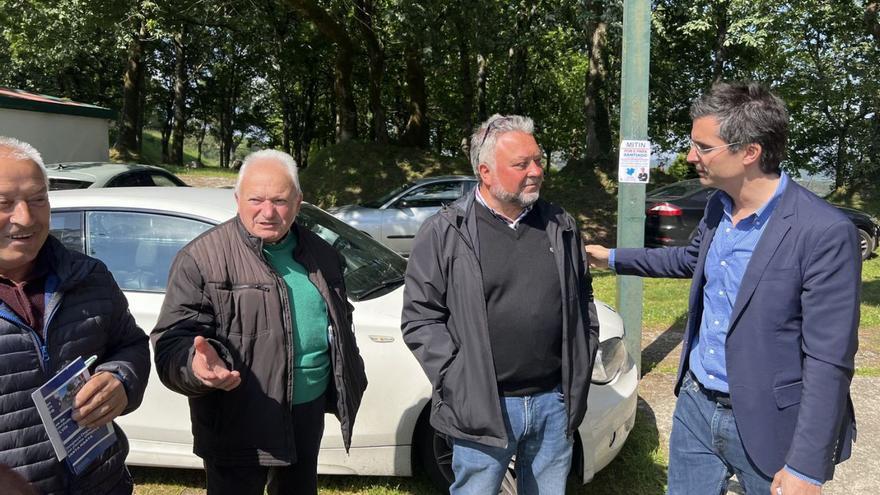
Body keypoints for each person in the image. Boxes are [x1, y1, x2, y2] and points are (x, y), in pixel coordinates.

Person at [586, 82, 860, 495]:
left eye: (703, 147)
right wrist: (611, 257)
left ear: (749, 152)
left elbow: (829, 359)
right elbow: (689, 262)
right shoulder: (718, 206)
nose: (689, 156)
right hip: (696, 406)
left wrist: (806, 465)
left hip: (770, 421)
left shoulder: (824, 232)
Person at [401, 114, 600, 494]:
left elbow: (583, 298)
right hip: (483, 407)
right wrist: (459, 381)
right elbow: (420, 319)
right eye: (521, 164)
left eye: (538, 160)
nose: (536, 171)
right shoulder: (446, 231)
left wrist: (581, 360)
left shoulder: (561, 224)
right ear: (486, 172)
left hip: (552, 404)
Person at [151, 149, 367, 495]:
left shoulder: (322, 254)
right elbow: (171, 343)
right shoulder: (201, 258)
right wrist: (195, 367)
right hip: (238, 416)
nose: (268, 212)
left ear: (298, 202)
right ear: (237, 199)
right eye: (256, 199)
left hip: (305, 413)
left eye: (280, 201)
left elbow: (340, 322)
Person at [0, 136, 150, 494]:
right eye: (4, 203)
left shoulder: (89, 276)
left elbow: (130, 344)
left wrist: (122, 380)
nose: (25, 217)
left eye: (38, 199)